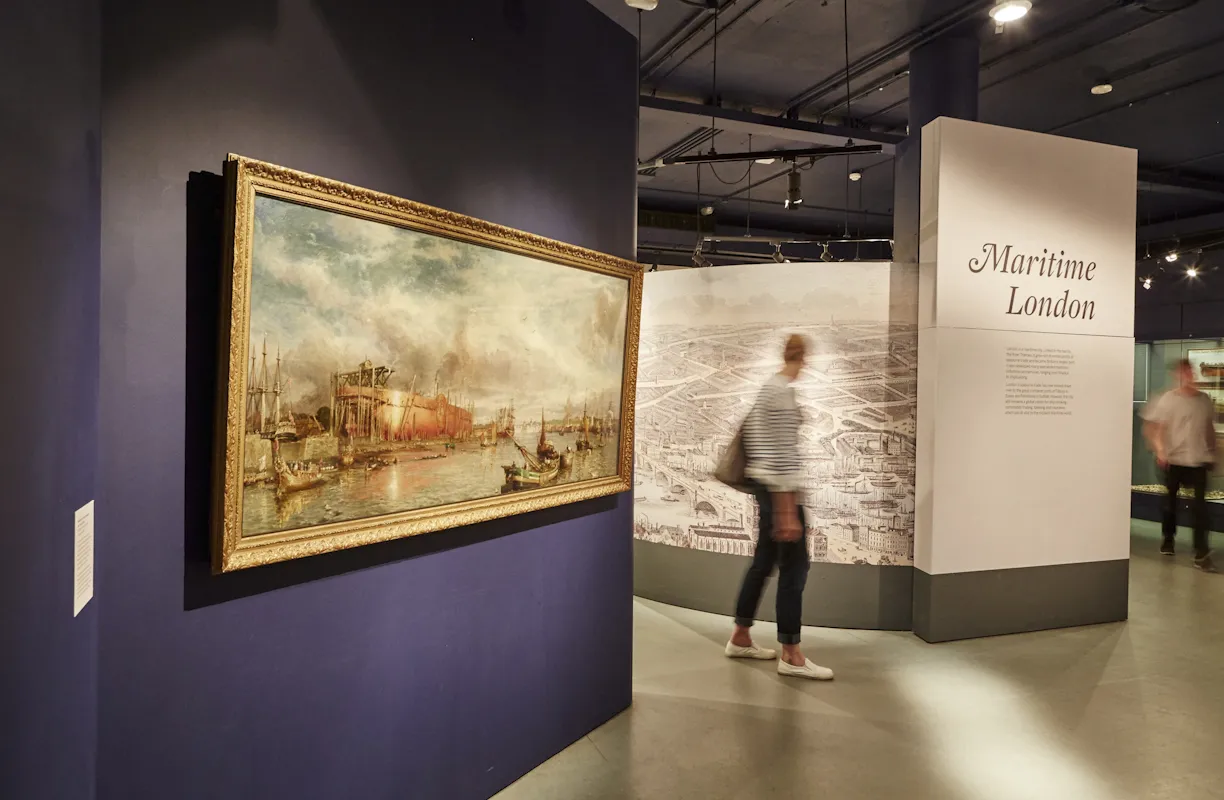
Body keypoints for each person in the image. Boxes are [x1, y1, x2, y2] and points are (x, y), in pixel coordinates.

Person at [724, 334, 833, 680]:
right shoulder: (783, 394)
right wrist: (788, 510)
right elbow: (782, 456)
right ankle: (791, 653)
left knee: (763, 563)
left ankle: (741, 636)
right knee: (794, 569)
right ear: (802, 358)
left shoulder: (767, 388)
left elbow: (758, 446)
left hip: (766, 490)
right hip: (781, 494)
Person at [1143, 358, 1217, 572]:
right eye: (1184, 372)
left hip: (1198, 460)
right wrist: (1160, 450)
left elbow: (1209, 428)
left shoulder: (1204, 400)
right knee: (1170, 504)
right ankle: (1168, 538)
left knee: (1200, 508)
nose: (1188, 375)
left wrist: (1212, 452)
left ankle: (1201, 552)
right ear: (1177, 375)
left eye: (1190, 371)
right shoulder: (1168, 399)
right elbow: (1154, 427)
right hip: (1174, 460)